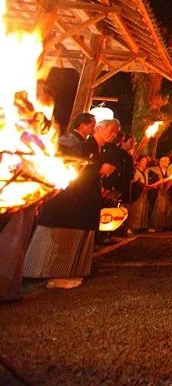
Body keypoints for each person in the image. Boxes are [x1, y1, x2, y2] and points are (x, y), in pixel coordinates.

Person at [23, 119, 121, 289]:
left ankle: (70, 271)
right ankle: (56, 277)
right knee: (64, 237)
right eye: (111, 130)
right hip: (71, 201)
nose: (113, 134)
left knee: (77, 237)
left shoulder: (101, 150)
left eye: (116, 132)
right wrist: (98, 171)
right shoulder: (83, 147)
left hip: (84, 201)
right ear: (97, 128)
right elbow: (72, 169)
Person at [147, 156, 172, 232]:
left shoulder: (170, 171)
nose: (167, 162)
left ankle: (164, 225)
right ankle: (154, 226)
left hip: (167, 193)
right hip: (158, 192)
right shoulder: (153, 170)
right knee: (157, 209)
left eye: (168, 161)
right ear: (160, 162)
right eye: (165, 161)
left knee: (166, 209)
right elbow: (152, 180)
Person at [127, 156, 151, 234]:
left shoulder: (146, 172)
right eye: (143, 161)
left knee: (143, 210)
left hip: (144, 193)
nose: (144, 163)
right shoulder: (135, 171)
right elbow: (137, 181)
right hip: (138, 192)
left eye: (145, 162)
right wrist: (145, 186)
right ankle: (132, 227)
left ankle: (141, 226)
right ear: (139, 162)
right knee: (136, 209)